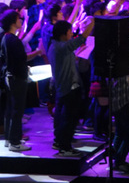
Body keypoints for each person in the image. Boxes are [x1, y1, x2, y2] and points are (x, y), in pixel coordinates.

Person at [48, 17, 95, 157]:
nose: (71, 33)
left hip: (65, 87)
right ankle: (65, 147)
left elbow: (67, 60)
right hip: (68, 87)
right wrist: (92, 23)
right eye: (69, 31)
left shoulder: (57, 46)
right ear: (63, 34)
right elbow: (81, 38)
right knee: (68, 119)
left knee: (65, 117)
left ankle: (61, 142)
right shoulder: (60, 47)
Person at [0, 10, 41, 151]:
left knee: (11, 110)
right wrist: (38, 52)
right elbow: (23, 58)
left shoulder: (6, 38)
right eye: (19, 19)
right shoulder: (13, 39)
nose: (21, 21)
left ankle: (10, 139)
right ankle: (15, 142)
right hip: (17, 78)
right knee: (17, 111)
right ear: (13, 22)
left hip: (10, 77)